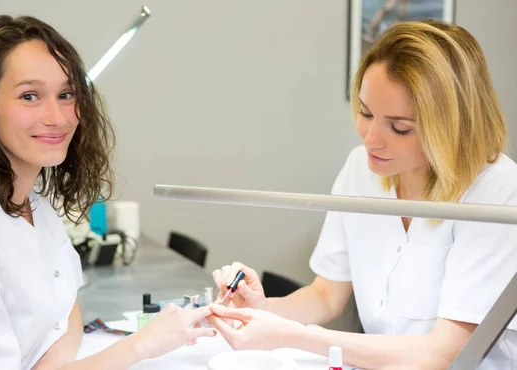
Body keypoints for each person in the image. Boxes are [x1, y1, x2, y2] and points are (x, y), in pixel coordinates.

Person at [210, 20, 517, 370]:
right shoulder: (362, 169)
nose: (371, 139)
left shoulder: (498, 191)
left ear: (452, 125)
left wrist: (292, 336)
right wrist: (259, 310)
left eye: (399, 127)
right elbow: (326, 296)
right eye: (366, 113)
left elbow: (444, 353)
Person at [0, 15, 216, 370]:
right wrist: (142, 345)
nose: (56, 117)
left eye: (66, 94)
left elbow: (68, 310)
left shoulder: (32, 203)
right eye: (30, 96)